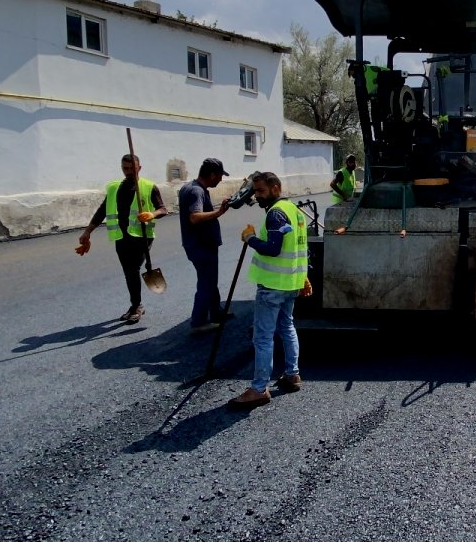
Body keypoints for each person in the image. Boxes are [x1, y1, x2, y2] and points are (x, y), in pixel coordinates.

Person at [228, 171, 311, 409]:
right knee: (287, 326)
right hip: (290, 283)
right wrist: (303, 278)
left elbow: (273, 249)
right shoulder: (295, 211)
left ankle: (258, 389)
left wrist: (250, 238)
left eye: (261, 191)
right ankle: (292, 374)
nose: (257, 196)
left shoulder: (276, 213)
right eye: (255, 191)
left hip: (273, 285)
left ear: (276, 188)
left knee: (263, 336)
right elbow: (301, 248)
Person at [76, 154, 168, 324]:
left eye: (132, 168)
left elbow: (163, 209)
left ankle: (136, 306)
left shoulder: (148, 186)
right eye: (125, 168)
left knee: (132, 268)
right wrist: (88, 232)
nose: (129, 172)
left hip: (141, 236)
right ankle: (136, 304)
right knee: (128, 271)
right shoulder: (114, 188)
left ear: (139, 168)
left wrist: (152, 214)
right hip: (121, 236)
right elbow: (102, 211)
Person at [179, 158, 233, 333]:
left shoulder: (191, 187)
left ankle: (215, 312)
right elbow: (195, 217)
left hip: (197, 244)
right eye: (219, 176)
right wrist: (218, 212)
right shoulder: (196, 191)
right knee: (206, 283)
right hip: (201, 245)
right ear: (211, 175)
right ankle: (199, 322)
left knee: (210, 280)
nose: (220, 180)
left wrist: (218, 208)